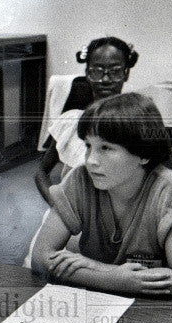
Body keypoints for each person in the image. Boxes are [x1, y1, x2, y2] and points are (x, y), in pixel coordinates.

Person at [30, 92, 172, 298]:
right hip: (93, 299)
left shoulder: (167, 188)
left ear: (144, 154)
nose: (91, 160)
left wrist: (96, 271)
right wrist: (110, 276)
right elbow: (40, 258)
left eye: (105, 148)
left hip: (148, 306)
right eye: (88, 146)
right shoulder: (80, 179)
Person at [34, 36, 139, 205]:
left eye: (115, 71)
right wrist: (58, 207)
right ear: (87, 73)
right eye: (97, 71)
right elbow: (41, 172)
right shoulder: (69, 122)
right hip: (74, 216)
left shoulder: (136, 124)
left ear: (126, 73)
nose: (105, 80)